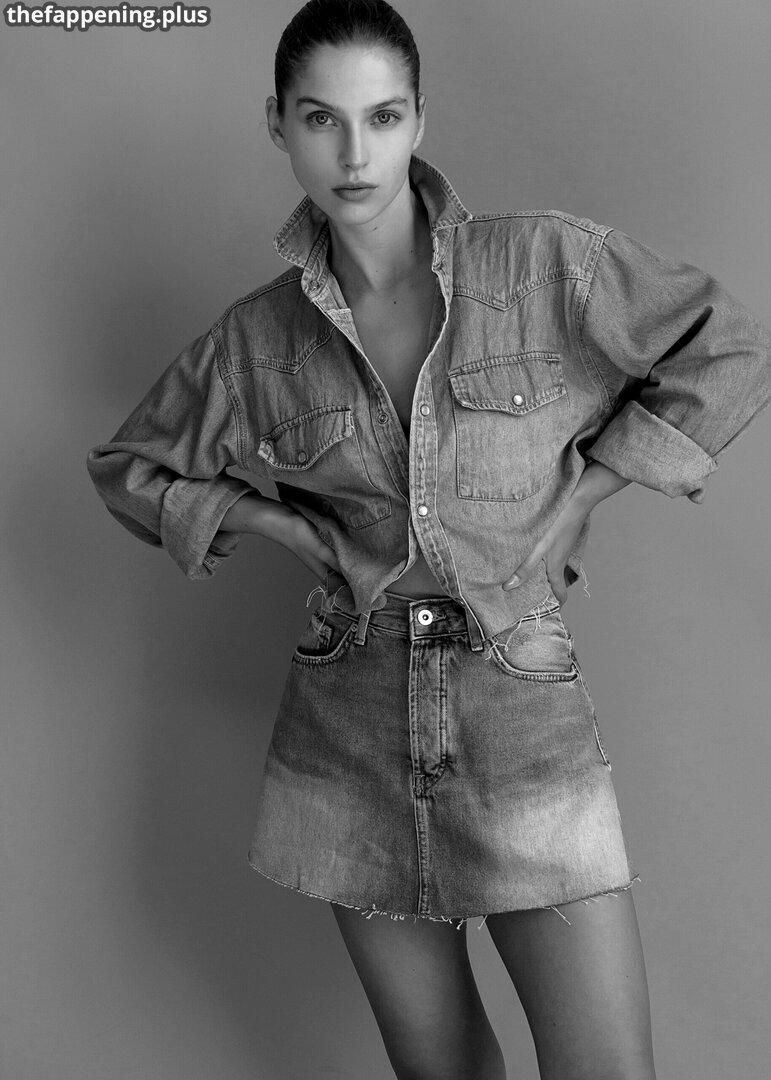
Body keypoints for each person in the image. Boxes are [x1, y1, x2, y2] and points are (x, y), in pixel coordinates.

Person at [86, 2, 770, 1077]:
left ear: (418, 119)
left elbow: (728, 350)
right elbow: (131, 467)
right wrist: (266, 518)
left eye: (382, 116)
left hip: (516, 704)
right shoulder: (259, 340)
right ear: (277, 125)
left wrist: (585, 494)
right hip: (345, 724)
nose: (354, 155)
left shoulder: (542, 267)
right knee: (438, 1069)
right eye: (321, 119)